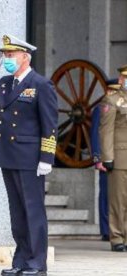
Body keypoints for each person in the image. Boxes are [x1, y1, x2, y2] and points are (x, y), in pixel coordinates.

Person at [0, 35, 58, 276]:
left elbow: (50, 124)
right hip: (8, 155)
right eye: (5, 55)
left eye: (11, 55)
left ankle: (37, 264)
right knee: (18, 213)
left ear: (25, 57)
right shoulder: (4, 84)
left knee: (33, 212)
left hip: (30, 158)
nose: (7, 59)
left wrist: (46, 158)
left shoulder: (40, 84)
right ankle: (21, 260)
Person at [99, 65, 127, 252]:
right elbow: (106, 130)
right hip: (120, 156)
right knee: (119, 200)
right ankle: (117, 237)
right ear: (121, 80)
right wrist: (107, 157)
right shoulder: (112, 100)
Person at [90, 80, 118, 242]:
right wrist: (97, 158)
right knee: (106, 195)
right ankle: (106, 229)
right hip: (105, 158)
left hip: (120, 157)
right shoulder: (100, 110)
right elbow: (95, 134)